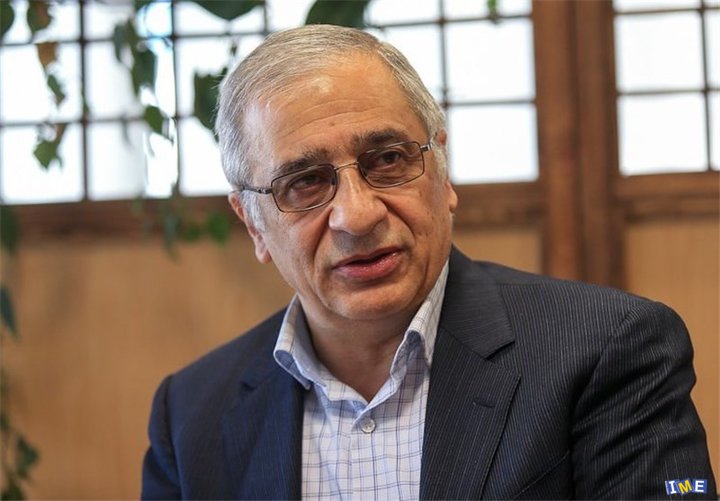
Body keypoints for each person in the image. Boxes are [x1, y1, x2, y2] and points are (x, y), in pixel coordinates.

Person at [141, 25, 716, 500]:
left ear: (443, 172)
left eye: (388, 159)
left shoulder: (607, 349)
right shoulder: (190, 416)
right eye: (306, 182)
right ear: (252, 222)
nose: (357, 216)